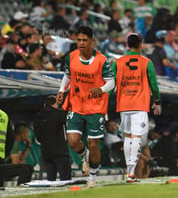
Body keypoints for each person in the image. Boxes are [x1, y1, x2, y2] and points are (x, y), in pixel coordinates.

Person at [56, 26, 114, 188]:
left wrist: (101, 89)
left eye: (84, 40)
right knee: (73, 141)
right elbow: (68, 75)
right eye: (78, 40)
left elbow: (111, 82)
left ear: (92, 41)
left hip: (95, 108)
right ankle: (85, 155)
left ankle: (92, 177)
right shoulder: (71, 57)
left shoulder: (102, 60)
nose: (81, 43)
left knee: (94, 144)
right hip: (76, 104)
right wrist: (62, 90)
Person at [112, 33, 161, 182]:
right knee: (137, 137)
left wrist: (103, 101)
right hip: (139, 105)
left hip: (124, 105)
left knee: (127, 137)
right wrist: (157, 101)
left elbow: (111, 84)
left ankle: (129, 170)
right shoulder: (146, 62)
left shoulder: (117, 62)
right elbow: (154, 84)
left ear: (127, 45)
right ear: (140, 44)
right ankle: (132, 173)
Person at [33, 95, 71, 181]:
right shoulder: (59, 114)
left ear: (45, 105)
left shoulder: (38, 117)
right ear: (56, 104)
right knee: (65, 178)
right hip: (60, 150)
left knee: (51, 178)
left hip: (46, 151)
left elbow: (38, 137)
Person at [0, 109, 33, 187]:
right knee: (26, 169)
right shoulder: (4, 115)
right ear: (22, 133)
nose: (28, 136)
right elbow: (10, 140)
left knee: (26, 168)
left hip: (2, 162)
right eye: (27, 133)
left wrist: (28, 147)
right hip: (1, 159)